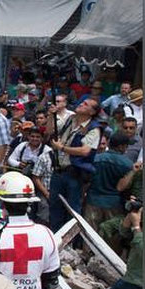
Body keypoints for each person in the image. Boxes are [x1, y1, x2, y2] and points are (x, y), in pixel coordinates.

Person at [47, 98, 102, 231]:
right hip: (58, 169)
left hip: (74, 172)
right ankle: (56, 239)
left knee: (72, 210)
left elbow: (85, 151)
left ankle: (70, 243)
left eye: (86, 104)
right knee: (55, 207)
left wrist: (62, 148)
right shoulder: (71, 119)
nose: (81, 104)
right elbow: (49, 131)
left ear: (92, 112)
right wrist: (51, 115)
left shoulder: (94, 128)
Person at [83, 132, 133, 232]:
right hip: (114, 204)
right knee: (111, 238)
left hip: (93, 202)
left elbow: (85, 181)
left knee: (90, 235)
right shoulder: (127, 164)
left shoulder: (95, 159)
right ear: (122, 146)